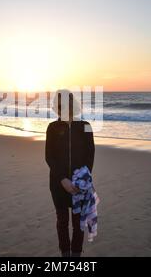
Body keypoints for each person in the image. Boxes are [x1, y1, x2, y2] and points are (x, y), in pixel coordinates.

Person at [45, 89, 95, 257]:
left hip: (80, 184)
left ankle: (76, 255)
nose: (63, 108)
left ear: (73, 105)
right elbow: (49, 157)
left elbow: (90, 155)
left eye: (66, 104)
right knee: (62, 221)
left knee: (78, 222)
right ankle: (65, 255)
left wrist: (81, 180)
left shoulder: (86, 126)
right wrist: (63, 180)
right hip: (58, 184)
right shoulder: (52, 128)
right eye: (59, 105)